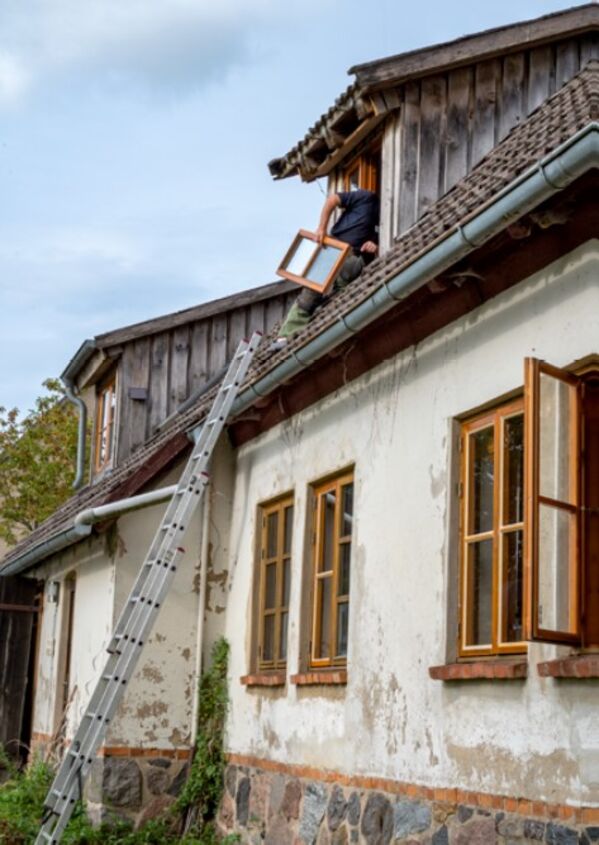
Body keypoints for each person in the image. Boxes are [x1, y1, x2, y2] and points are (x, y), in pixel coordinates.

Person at [271, 188, 380, 349]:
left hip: (354, 259)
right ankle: (285, 336)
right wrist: (321, 228)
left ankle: (322, 329)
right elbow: (333, 200)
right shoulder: (365, 197)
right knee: (311, 292)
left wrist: (373, 246)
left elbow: (376, 243)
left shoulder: (384, 215)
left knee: (341, 297)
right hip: (334, 250)